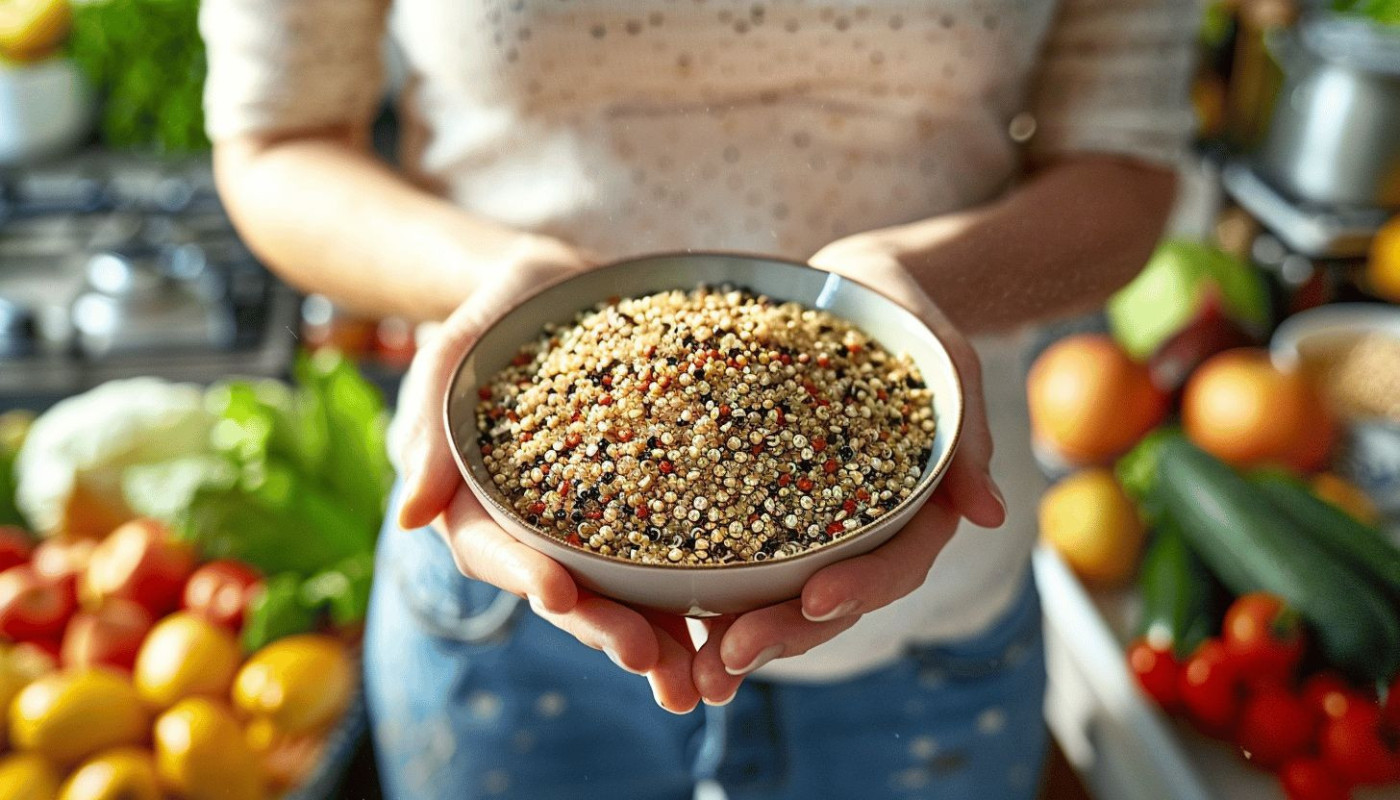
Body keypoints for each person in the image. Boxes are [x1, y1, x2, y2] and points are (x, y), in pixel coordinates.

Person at [201, 1, 1193, 797]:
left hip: (927, 608)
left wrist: (909, 285)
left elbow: (1123, 169)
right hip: (508, 594)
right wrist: (494, 274)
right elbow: (277, 139)